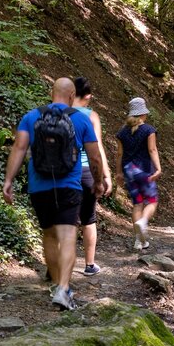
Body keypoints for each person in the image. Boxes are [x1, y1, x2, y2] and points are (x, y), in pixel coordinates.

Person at [2, 78, 105, 310]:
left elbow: (19, 148)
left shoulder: (31, 117)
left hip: (39, 187)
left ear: (52, 93)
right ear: (71, 96)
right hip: (69, 185)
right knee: (68, 235)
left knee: (49, 236)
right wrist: (98, 182)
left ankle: (58, 285)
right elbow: (95, 156)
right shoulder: (81, 118)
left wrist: (9, 180)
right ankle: (63, 290)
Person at [73, 77, 112, 276]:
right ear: (88, 96)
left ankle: (59, 265)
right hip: (87, 171)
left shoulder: (60, 112)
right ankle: (89, 264)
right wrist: (106, 176)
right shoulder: (91, 116)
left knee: (65, 219)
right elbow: (97, 148)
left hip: (64, 172)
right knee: (88, 218)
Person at [116, 97, 162, 250]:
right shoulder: (149, 130)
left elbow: (119, 154)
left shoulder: (122, 132)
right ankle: (143, 223)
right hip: (144, 171)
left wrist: (118, 173)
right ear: (143, 113)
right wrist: (158, 168)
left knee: (137, 204)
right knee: (152, 200)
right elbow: (152, 150)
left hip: (129, 171)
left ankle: (138, 241)